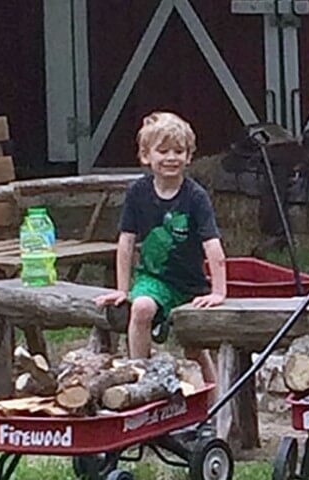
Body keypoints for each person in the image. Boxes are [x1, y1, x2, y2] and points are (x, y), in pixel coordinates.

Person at [94, 112, 227, 384]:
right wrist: (123, 289)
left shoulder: (195, 197)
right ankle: (140, 377)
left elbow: (212, 244)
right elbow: (126, 241)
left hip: (190, 284)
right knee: (141, 308)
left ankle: (214, 408)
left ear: (189, 157)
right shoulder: (138, 193)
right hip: (153, 279)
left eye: (179, 151)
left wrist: (218, 291)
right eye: (163, 151)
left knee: (194, 348)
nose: (171, 157)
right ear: (146, 156)